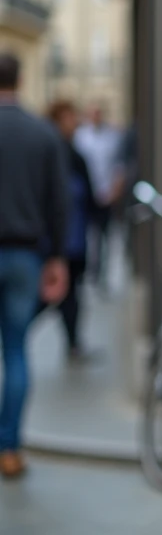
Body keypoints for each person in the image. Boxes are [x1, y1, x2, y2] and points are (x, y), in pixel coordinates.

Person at [0, 52, 69, 479]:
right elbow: (60, 201)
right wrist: (57, 257)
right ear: (21, 79)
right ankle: (8, 448)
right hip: (25, 255)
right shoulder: (42, 134)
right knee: (16, 351)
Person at [33, 100, 98, 361]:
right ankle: (72, 343)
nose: (74, 123)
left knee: (67, 295)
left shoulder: (71, 154)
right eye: (69, 118)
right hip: (60, 240)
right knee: (55, 294)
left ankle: (73, 343)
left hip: (70, 238)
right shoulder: (54, 153)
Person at [73, 103, 126, 289]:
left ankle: (103, 273)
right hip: (88, 195)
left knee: (107, 236)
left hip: (106, 195)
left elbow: (118, 167)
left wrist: (114, 191)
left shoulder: (112, 137)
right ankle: (92, 272)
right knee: (90, 236)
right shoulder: (81, 137)